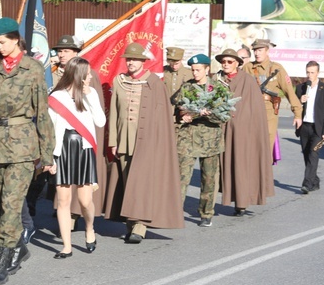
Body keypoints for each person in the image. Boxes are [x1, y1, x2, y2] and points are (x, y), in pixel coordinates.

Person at [0, 17, 55, 285]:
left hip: (22, 145)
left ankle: (3, 259)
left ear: (16, 39)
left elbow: (42, 111)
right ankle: (19, 246)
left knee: (11, 203)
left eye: (2, 42)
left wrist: (47, 153)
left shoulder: (33, 69)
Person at [104, 42, 184, 243]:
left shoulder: (154, 82)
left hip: (146, 142)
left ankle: (139, 226)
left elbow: (161, 117)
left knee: (142, 183)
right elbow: (114, 113)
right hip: (124, 140)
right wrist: (113, 140)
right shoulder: (119, 81)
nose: (130, 62)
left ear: (143, 61)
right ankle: (131, 224)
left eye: (134, 59)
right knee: (126, 180)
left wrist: (157, 143)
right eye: (128, 59)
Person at [47, 57, 106, 258]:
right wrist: (50, 158)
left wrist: (89, 96)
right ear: (78, 75)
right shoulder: (57, 96)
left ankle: (90, 228)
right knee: (63, 200)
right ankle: (67, 246)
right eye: (88, 73)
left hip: (83, 147)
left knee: (85, 200)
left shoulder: (91, 94)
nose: (90, 76)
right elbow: (50, 129)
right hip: (62, 147)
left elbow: (100, 121)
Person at [215, 49, 274, 216]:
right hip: (220, 130)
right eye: (223, 62)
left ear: (237, 63)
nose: (225, 65)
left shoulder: (248, 81)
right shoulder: (217, 79)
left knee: (240, 166)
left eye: (229, 62)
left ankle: (241, 202)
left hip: (242, 132)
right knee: (223, 167)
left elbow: (256, 110)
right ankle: (212, 202)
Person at [172, 54, 224, 227]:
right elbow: (178, 107)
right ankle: (175, 211)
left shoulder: (218, 88)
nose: (195, 73)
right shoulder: (187, 87)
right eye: (193, 70)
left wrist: (204, 113)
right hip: (187, 139)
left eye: (198, 70)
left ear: (207, 69)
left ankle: (206, 213)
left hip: (210, 140)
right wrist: (183, 115)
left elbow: (224, 116)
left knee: (208, 178)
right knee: (181, 177)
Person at [243, 39, 302, 151]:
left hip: (268, 113)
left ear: (267, 51)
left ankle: (265, 168)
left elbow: (289, 91)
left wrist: (297, 114)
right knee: (250, 149)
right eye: (255, 50)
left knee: (265, 149)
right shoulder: (248, 68)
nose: (257, 53)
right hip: (250, 112)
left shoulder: (277, 69)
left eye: (260, 50)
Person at [295, 61, 324, 194]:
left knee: (313, 154)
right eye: (308, 72)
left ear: (318, 73)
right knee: (306, 155)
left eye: (312, 72)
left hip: (318, 128)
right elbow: (294, 108)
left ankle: (307, 183)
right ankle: (314, 181)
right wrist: (300, 100)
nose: (309, 75)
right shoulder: (301, 88)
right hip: (304, 127)